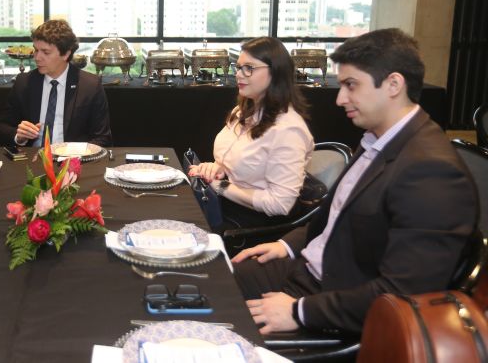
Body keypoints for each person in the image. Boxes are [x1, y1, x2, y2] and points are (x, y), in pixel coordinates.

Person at [232, 28, 478, 335]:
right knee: (202, 279)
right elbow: (339, 219)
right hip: (309, 271)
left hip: (330, 302)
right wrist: (287, 245)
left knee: (211, 315)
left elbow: (402, 295)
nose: (339, 98)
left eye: (351, 85)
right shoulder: (379, 139)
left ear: (393, 84)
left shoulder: (433, 172)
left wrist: (300, 311)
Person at [189, 37, 314, 239]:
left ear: (276, 72)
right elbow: (235, 160)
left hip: (252, 225)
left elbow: (280, 204)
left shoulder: (288, 130)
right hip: (228, 205)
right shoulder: (244, 110)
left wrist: (221, 187)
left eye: (249, 68)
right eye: (238, 67)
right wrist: (217, 168)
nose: (239, 74)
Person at [0, 19, 112, 147]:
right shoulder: (24, 82)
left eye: (45, 52)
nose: (37, 57)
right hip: (32, 160)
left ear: (66, 54)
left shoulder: (90, 85)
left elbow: (102, 138)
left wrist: (75, 154)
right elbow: (3, 126)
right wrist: (19, 137)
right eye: (36, 50)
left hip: (74, 160)